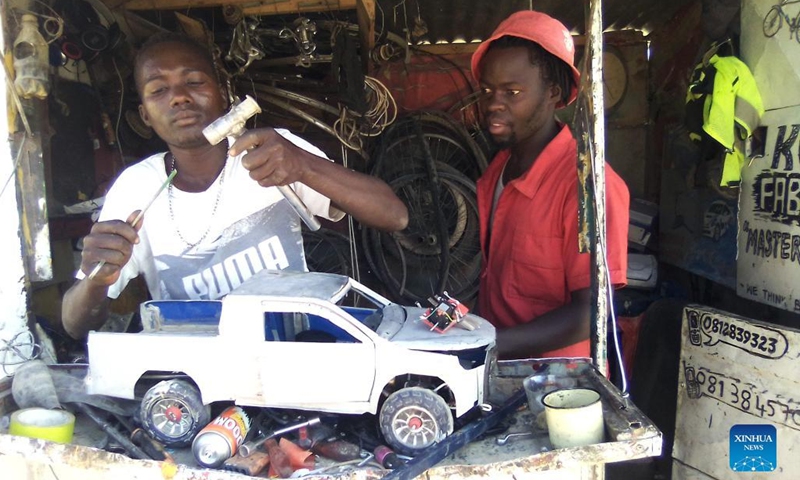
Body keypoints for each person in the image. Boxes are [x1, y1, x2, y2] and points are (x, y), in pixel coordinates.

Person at [62, 33, 409, 339]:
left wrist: (305, 166)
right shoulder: (136, 188)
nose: (179, 97)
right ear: (145, 117)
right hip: (198, 378)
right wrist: (97, 279)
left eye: (194, 82)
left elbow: (394, 216)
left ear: (224, 93)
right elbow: (75, 326)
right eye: (159, 90)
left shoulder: (273, 153)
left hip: (293, 354)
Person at [471, 11, 630, 359]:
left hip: (557, 386)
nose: (494, 104)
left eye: (512, 92)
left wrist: (485, 346)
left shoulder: (588, 188)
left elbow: (590, 313)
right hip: (495, 370)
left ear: (553, 94)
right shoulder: (495, 172)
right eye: (488, 91)